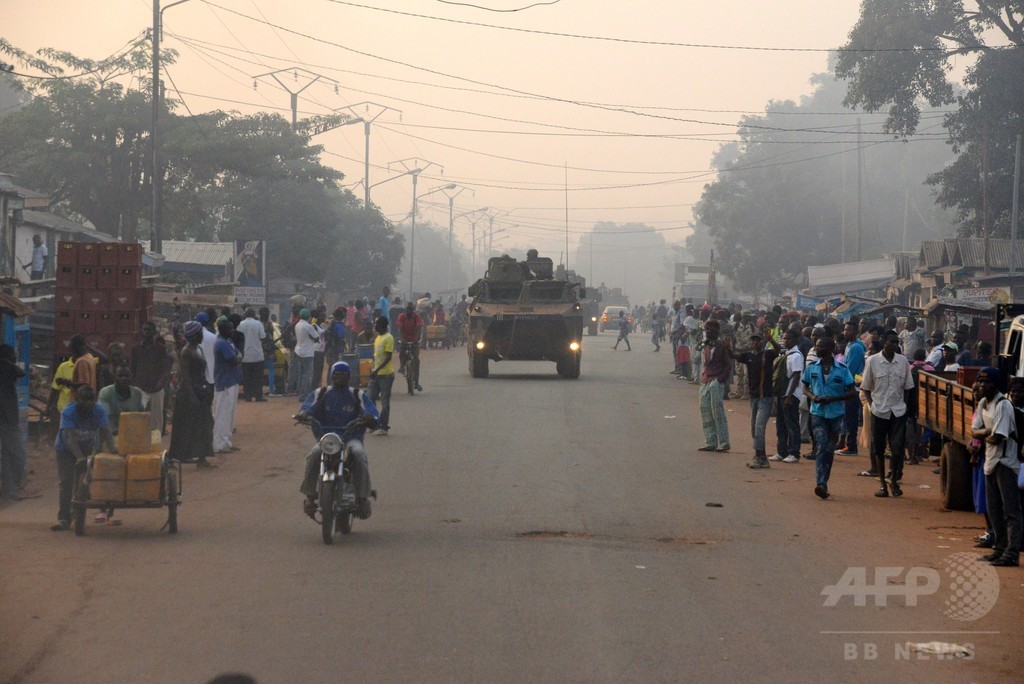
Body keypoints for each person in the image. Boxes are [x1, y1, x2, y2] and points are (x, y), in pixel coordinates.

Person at [298, 361, 378, 520]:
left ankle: (363, 498)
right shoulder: (321, 393)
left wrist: (370, 417)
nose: (339, 378)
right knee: (313, 455)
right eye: (336, 375)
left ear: (349, 377)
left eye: (342, 375)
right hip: (327, 440)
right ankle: (309, 497)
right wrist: (304, 414)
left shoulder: (357, 394)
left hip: (350, 439)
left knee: (359, 455)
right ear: (331, 376)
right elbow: (308, 407)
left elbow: (371, 410)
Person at [971, 367, 1021, 567]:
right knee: (994, 510)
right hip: (990, 461)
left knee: (1011, 511)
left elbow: (997, 437)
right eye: (980, 381)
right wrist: (987, 433)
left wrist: (985, 434)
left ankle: (1012, 553)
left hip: (1005, 462)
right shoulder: (983, 403)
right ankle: (999, 548)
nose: (982, 385)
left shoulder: (1003, 406)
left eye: (987, 382)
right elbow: (976, 432)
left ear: (995, 384)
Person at [51, 385, 116, 531]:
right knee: (66, 482)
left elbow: (106, 431)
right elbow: (69, 437)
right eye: (85, 400)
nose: (89, 403)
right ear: (77, 399)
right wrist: (79, 457)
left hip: (87, 447)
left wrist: (113, 450)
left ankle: (77, 511)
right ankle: (63, 518)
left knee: (85, 481)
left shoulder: (98, 410)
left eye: (91, 400)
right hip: (66, 450)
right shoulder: (68, 411)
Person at [859, 330, 916, 498]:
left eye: (896, 342)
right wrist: (872, 405)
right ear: (884, 342)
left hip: (898, 411)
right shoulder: (873, 361)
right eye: (891, 341)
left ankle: (894, 482)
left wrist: (904, 405)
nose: (894, 345)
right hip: (879, 411)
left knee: (897, 449)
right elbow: (866, 387)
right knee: (878, 449)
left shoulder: (903, 361)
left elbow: (908, 387)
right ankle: (883, 483)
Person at [802, 336, 857, 500]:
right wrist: (812, 397)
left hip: (835, 414)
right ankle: (821, 483)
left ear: (830, 348)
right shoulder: (812, 367)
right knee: (822, 444)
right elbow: (805, 387)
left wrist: (833, 399)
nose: (816, 348)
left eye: (820, 346)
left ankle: (824, 481)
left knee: (829, 449)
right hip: (817, 412)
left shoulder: (842, 368)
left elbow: (852, 391)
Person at [168, 321, 215, 468]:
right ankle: (175, 457)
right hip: (189, 394)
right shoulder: (186, 351)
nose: (202, 335)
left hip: (200, 390)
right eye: (200, 333)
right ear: (194, 336)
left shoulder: (198, 348)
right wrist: (192, 396)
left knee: (203, 425)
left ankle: (199, 456)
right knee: (185, 427)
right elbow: (185, 376)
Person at [729, 330, 778, 468]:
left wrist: (771, 341)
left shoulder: (767, 354)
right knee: (754, 428)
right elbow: (734, 355)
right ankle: (760, 455)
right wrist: (728, 348)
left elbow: (779, 351)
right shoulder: (749, 356)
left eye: (758, 340)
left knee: (759, 426)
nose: (755, 342)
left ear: (763, 342)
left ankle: (760, 457)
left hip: (766, 396)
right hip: (754, 396)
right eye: (753, 340)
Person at [131, 321, 173, 432]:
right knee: (138, 416)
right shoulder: (135, 349)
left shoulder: (161, 349)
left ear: (154, 332)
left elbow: (165, 368)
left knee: (156, 419)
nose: (146, 333)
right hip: (140, 388)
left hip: (156, 389)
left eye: (148, 330)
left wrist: (160, 383)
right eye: (144, 330)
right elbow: (133, 368)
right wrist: (135, 384)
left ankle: (156, 443)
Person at [770, 329, 805, 463]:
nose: (786, 341)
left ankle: (794, 453)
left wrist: (789, 395)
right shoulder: (786, 353)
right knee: (781, 424)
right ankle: (781, 451)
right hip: (781, 393)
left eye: (789, 339)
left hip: (791, 394)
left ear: (795, 339)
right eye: (784, 338)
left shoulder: (796, 355)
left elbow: (796, 376)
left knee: (791, 424)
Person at [697, 319, 731, 452]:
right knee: (705, 410)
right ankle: (710, 441)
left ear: (717, 331)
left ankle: (723, 443)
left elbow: (728, 365)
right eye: (706, 330)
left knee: (718, 412)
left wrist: (721, 379)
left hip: (717, 379)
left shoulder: (722, 345)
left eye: (710, 330)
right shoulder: (706, 345)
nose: (708, 332)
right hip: (706, 379)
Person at [0, 344, 27, 499]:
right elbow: (21, 372)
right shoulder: (6, 368)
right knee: (17, 455)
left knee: (7, 455)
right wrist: (6, 361)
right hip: (8, 420)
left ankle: (9, 490)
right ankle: (14, 487)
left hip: (6, 419)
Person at [212, 317, 242, 454]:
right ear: (223, 329)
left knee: (229, 414)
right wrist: (238, 357)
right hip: (224, 383)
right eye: (229, 328)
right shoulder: (221, 343)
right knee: (222, 414)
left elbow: (236, 356)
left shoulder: (227, 341)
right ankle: (219, 443)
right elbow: (233, 359)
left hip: (231, 381)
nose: (232, 330)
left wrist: (238, 357)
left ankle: (226, 441)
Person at [837, 322, 867, 456]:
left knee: (851, 418)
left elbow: (851, 368)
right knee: (847, 417)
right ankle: (847, 444)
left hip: (852, 387)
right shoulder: (850, 345)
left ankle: (851, 446)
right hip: (849, 384)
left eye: (849, 330)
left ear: (855, 332)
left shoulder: (856, 347)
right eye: (845, 329)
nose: (846, 332)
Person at [367, 316, 395, 436]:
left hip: (386, 375)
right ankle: (374, 423)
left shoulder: (389, 338)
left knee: (384, 402)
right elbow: (376, 356)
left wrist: (377, 369)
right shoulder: (378, 337)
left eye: (377, 324)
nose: (375, 326)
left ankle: (384, 426)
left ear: (383, 325)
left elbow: (388, 357)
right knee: (370, 399)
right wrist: (373, 368)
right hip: (376, 374)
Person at [236, 308, 266, 402]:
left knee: (247, 378)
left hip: (245, 355)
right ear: (254, 314)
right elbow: (263, 337)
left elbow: (237, 338)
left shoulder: (241, 324)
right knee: (257, 378)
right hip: (257, 354)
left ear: (245, 314)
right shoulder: (258, 324)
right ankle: (258, 396)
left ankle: (248, 396)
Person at [396, 301, 424, 392]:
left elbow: (419, 328)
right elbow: (399, 329)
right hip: (404, 339)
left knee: (416, 360)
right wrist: (401, 338)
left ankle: (416, 383)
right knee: (401, 352)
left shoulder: (416, 317)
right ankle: (402, 366)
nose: (408, 311)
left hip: (414, 340)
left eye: (410, 309)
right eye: (407, 309)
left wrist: (417, 338)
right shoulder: (401, 317)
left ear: (413, 310)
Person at [293, 309, 319, 401]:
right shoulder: (308, 326)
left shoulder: (297, 325)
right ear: (308, 317)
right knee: (308, 376)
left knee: (301, 374)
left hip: (299, 351)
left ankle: (300, 392)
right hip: (308, 353)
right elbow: (316, 337)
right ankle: (305, 395)